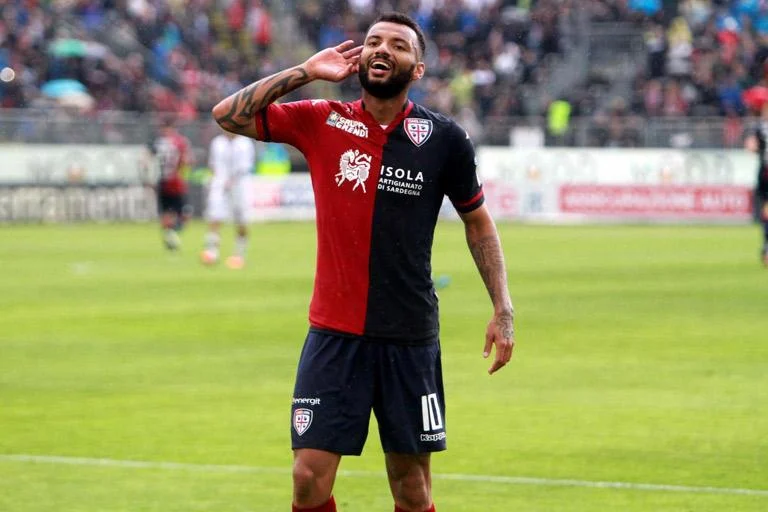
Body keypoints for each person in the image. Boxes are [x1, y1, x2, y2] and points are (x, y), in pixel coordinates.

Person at [212, 12, 515, 512]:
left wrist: (502, 308)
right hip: (333, 334)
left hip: (408, 336)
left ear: (417, 69)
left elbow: (478, 223)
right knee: (307, 478)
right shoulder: (321, 119)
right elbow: (227, 115)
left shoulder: (444, 139)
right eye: (374, 41)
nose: (382, 49)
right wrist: (306, 71)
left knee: (411, 488)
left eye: (398, 45)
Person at [201, 129, 257, 269]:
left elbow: (245, 167)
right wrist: (216, 181)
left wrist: (232, 181)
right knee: (215, 216)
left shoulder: (245, 143)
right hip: (220, 185)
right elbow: (213, 165)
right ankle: (212, 252)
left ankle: (239, 254)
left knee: (241, 220)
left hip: (240, 185)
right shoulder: (217, 143)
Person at [151, 116, 193, 250]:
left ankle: (169, 235)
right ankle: (172, 235)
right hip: (175, 182)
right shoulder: (180, 142)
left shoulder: (158, 142)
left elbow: (147, 160)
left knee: (167, 213)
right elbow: (187, 160)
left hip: (163, 181)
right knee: (184, 214)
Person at [743, 103, 768, 267]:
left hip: (765, 172)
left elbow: (750, 147)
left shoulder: (759, 128)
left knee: (766, 210)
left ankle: (766, 247)